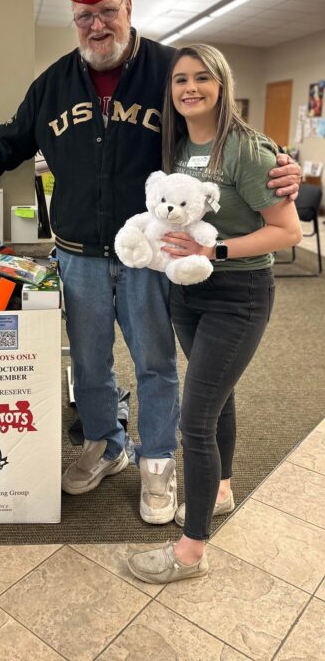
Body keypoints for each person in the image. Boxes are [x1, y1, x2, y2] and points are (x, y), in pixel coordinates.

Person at [0, 0, 301, 523]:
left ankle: (158, 461)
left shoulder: (168, 70)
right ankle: (106, 444)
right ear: (74, 21)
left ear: (128, 9)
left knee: (155, 362)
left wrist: (278, 161)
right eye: (85, 17)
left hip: (151, 252)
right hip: (77, 254)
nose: (97, 26)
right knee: (89, 363)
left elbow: (218, 122)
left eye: (107, 12)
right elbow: (7, 143)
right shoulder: (54, 83)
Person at [128, 43, 302, 583]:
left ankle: (190, 552)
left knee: (195, 420)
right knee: (217, 398)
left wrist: (213, 250)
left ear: (222, 85)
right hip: (188, 294)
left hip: (238, 295)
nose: (191, 88)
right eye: (181, 79)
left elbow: (288, 231)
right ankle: (221, 489)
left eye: (202, 78)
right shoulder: (178, 147)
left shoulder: (247, 150)